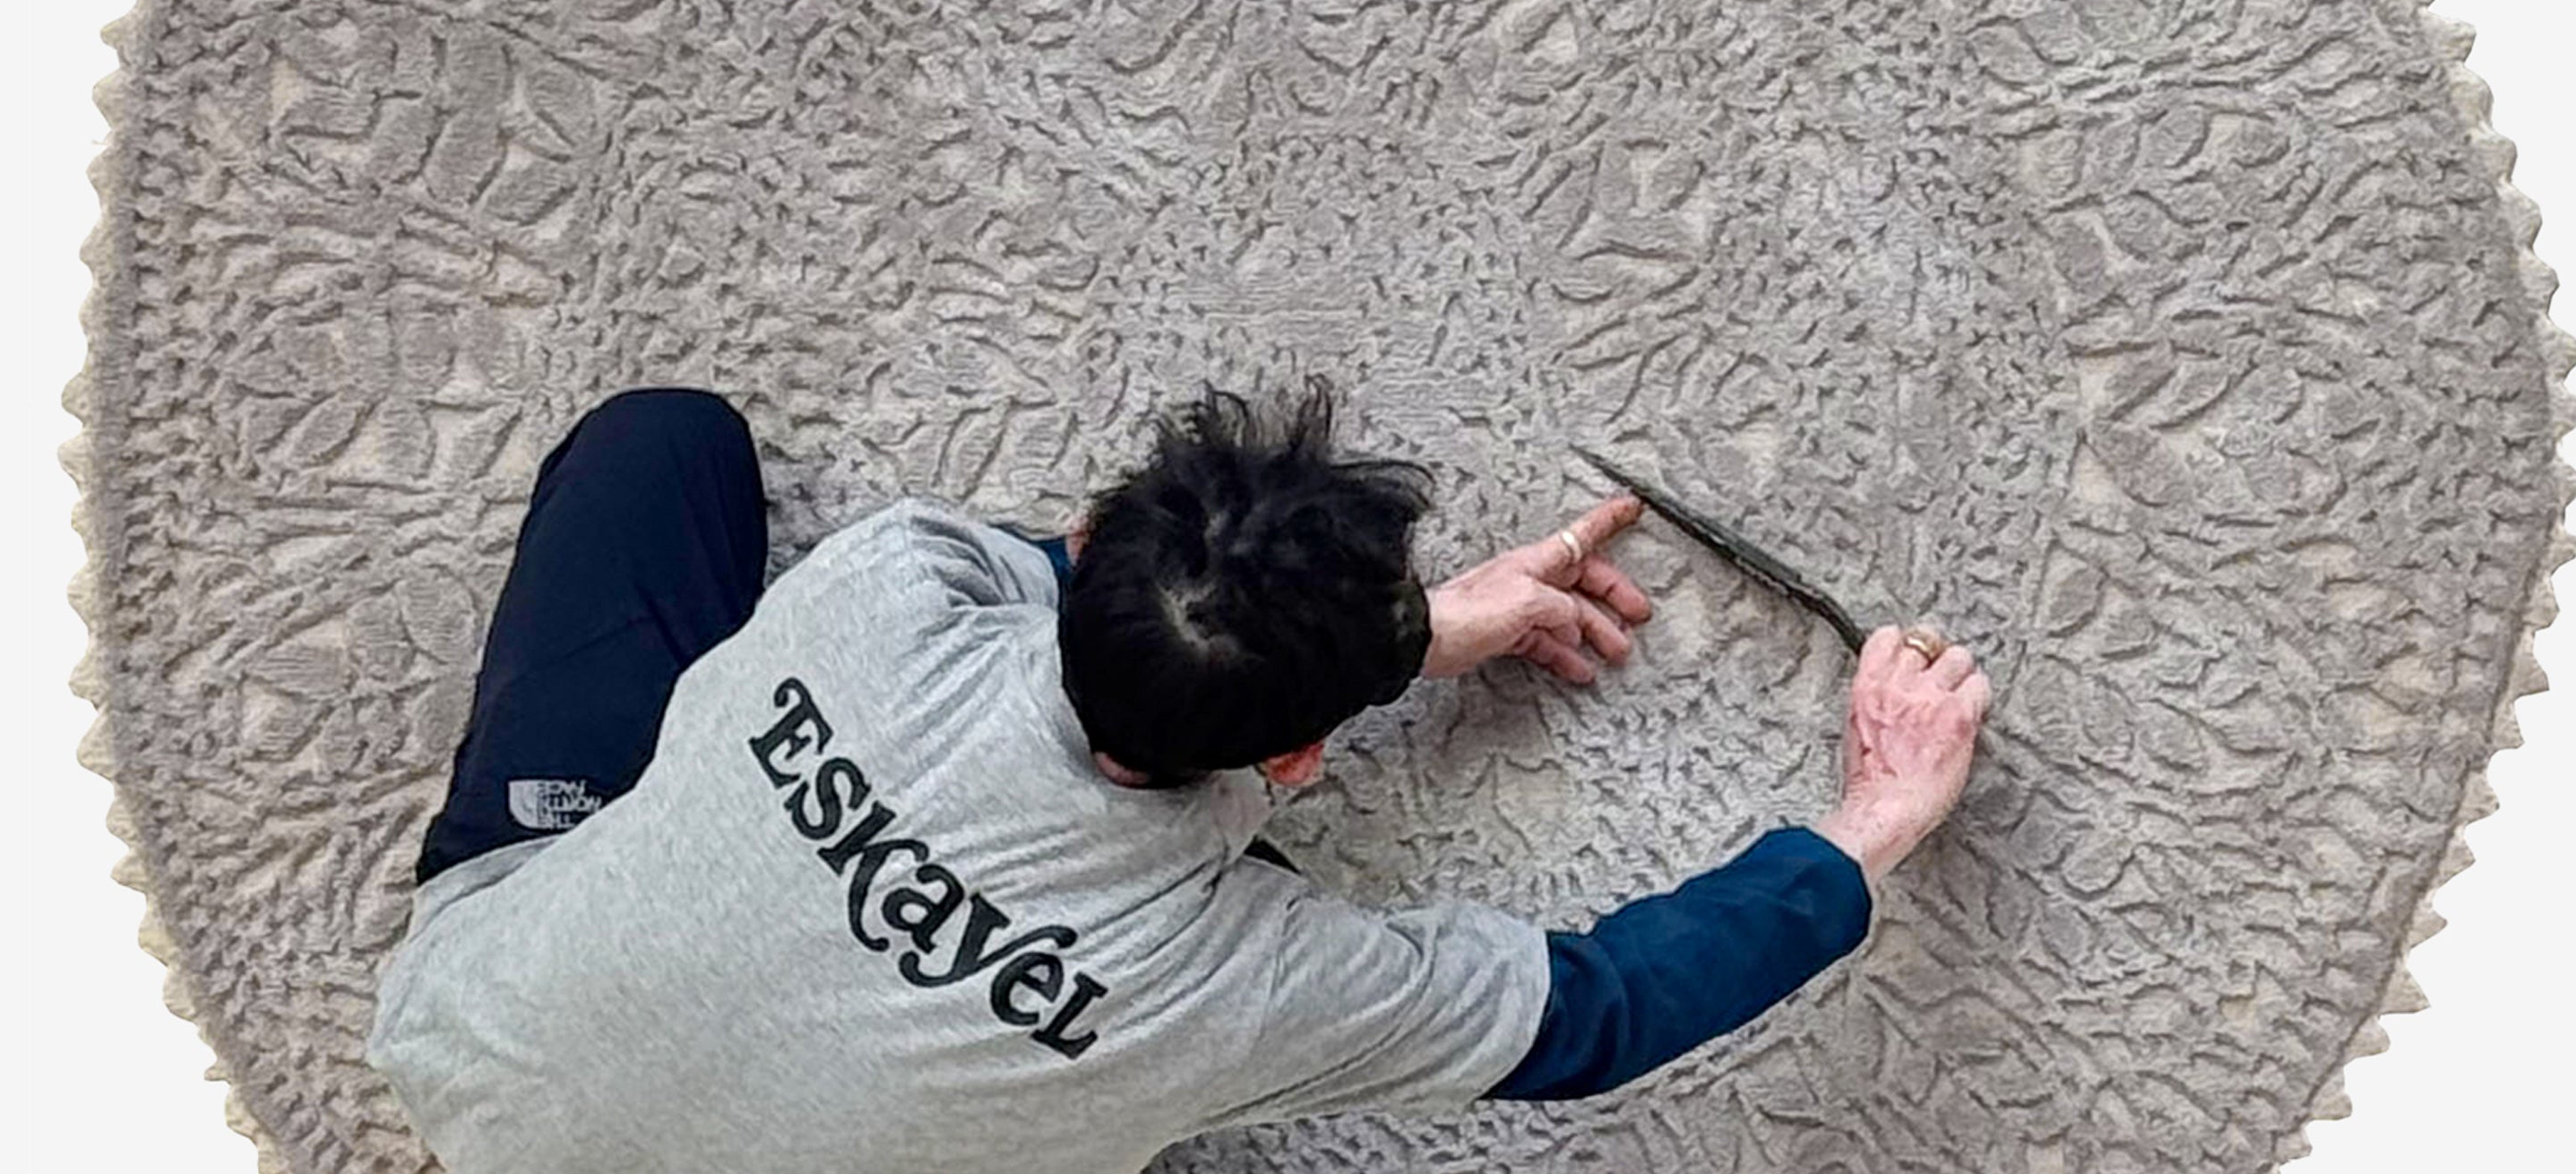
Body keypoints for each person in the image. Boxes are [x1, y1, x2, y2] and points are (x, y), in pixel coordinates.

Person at [366, 377, 1989, 1173]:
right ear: (1302, 756)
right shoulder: (1243, 985)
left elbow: (1112, 608)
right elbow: (1592, 1013)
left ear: (1085, 542)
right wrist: (1873, 822)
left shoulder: (893, 581)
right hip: (492, 1065)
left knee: (661, 443)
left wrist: (1403, 636)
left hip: (471, 1048)